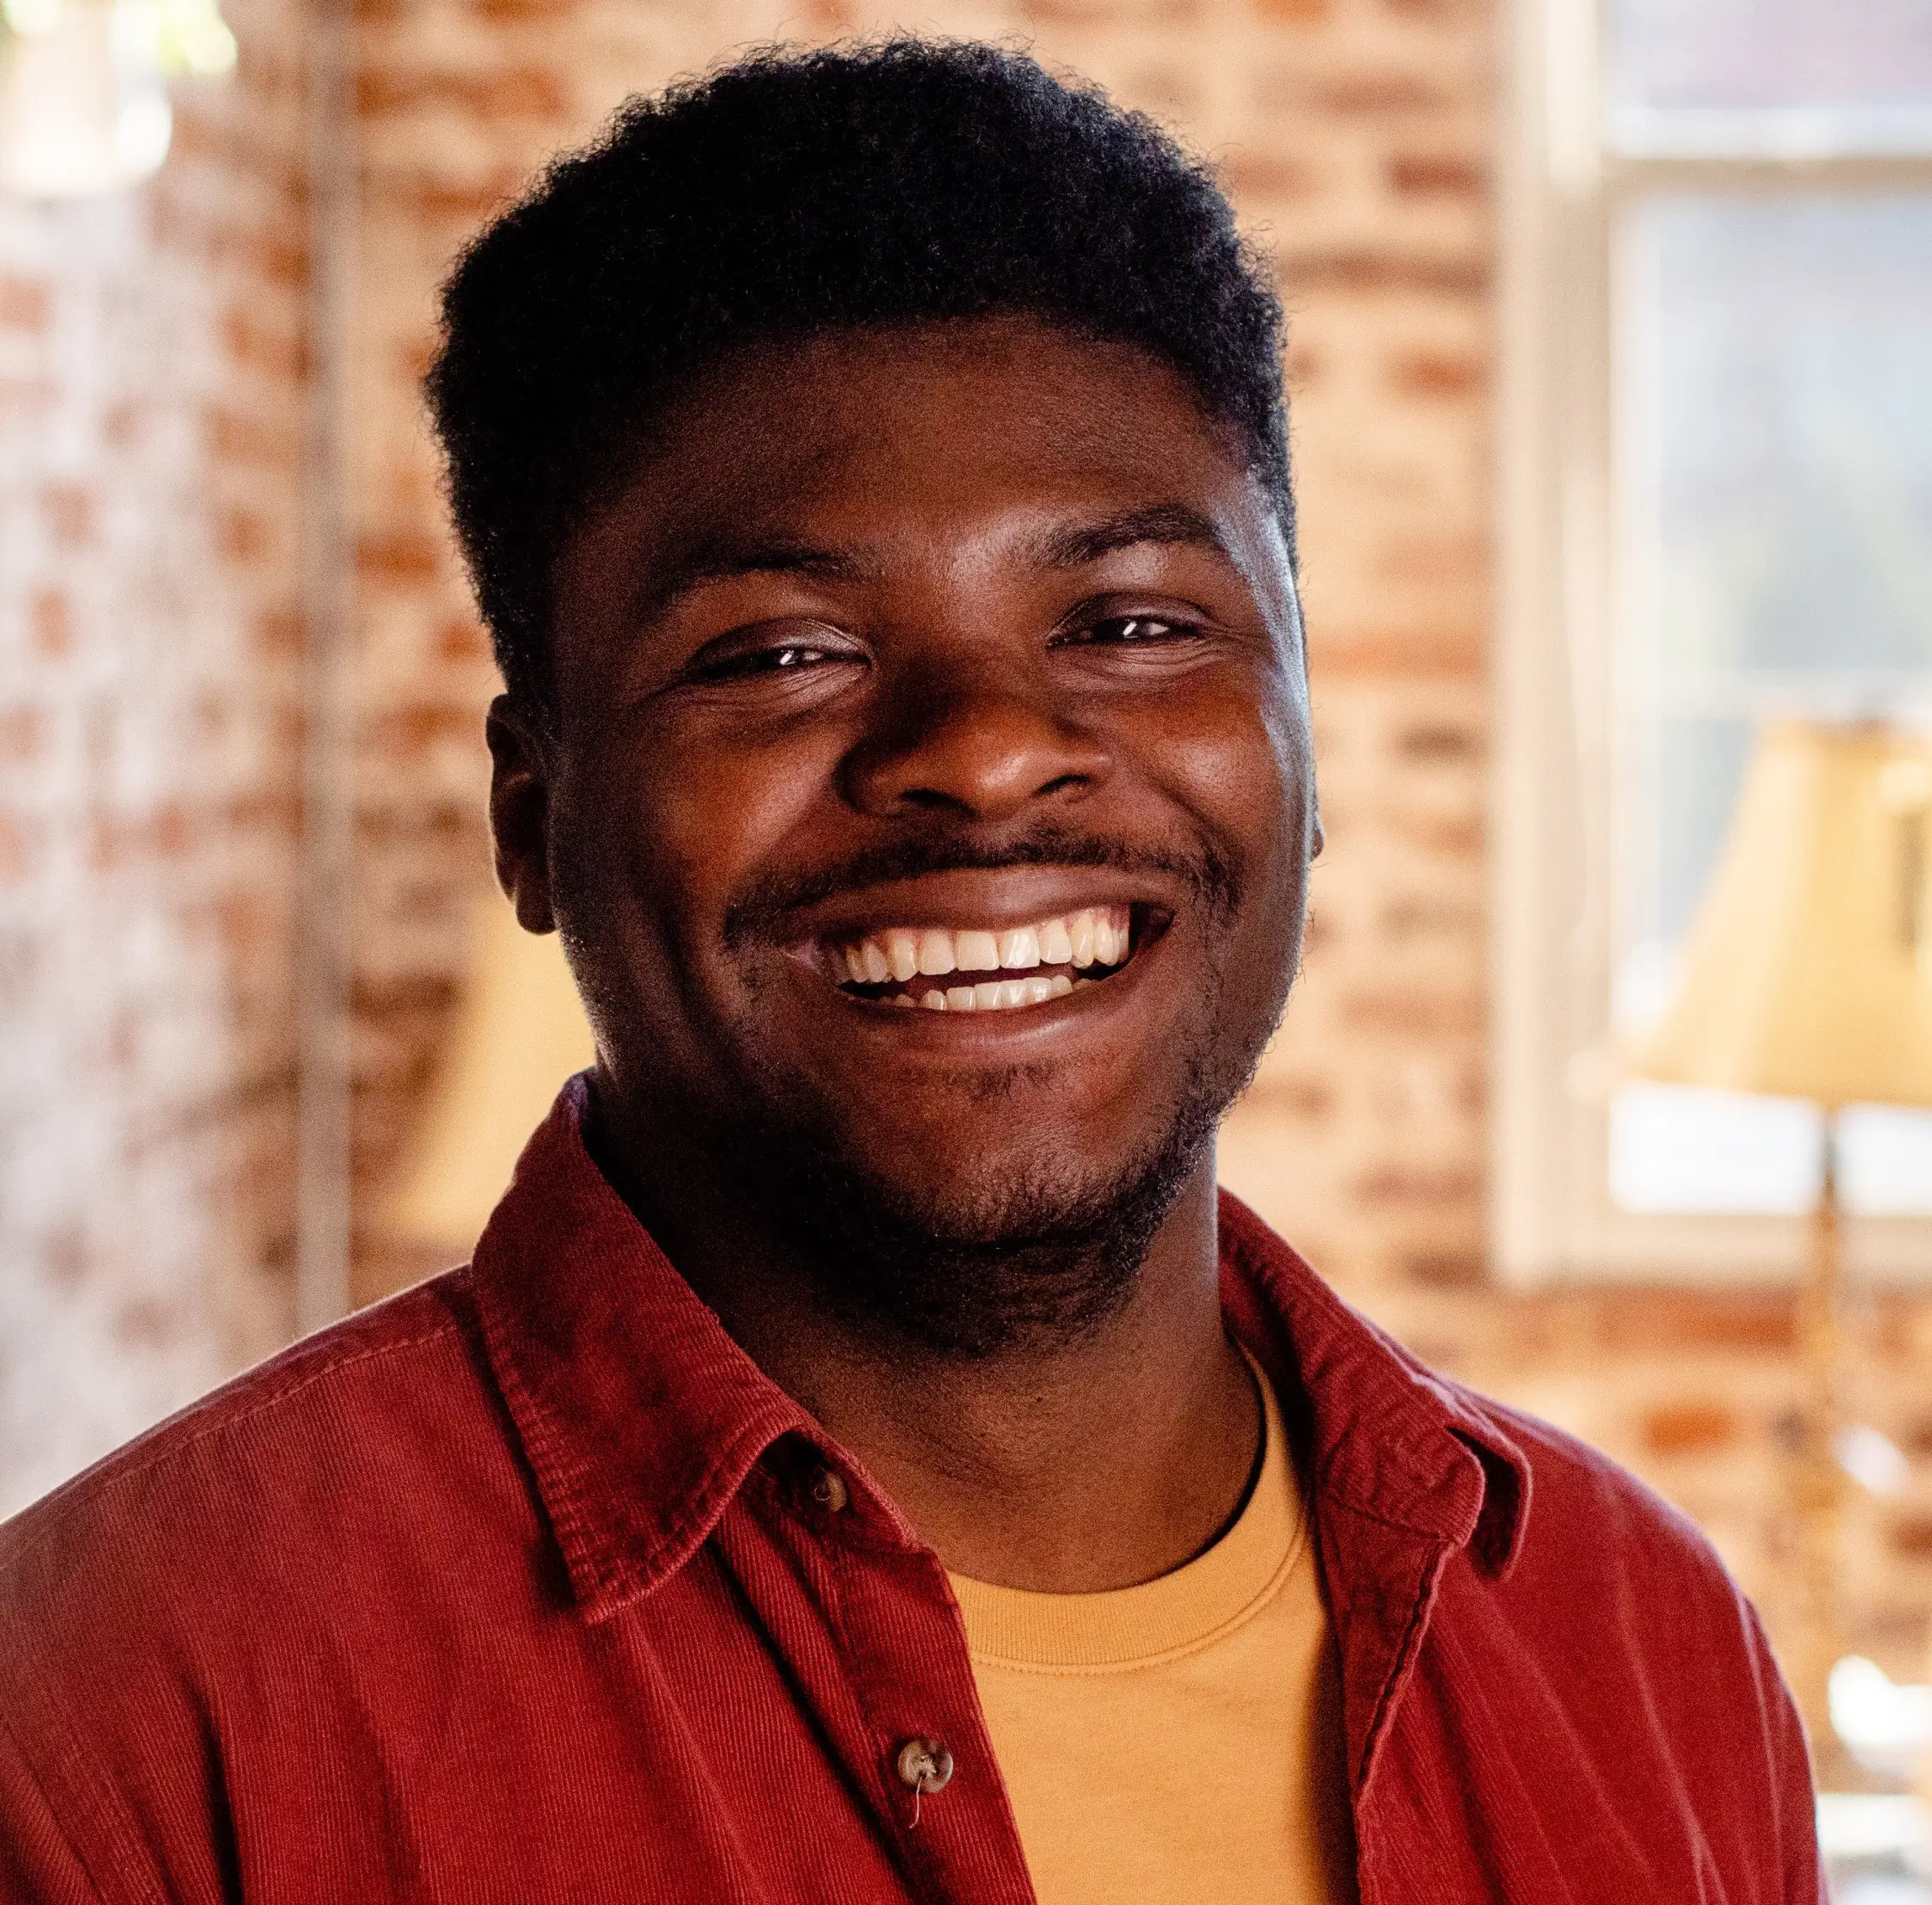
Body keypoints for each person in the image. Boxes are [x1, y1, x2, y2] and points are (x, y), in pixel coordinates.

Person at [0, 40, 1821, 1905]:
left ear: (1300, 737)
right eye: (780, 654)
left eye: (1124, 623)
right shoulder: (118, 1722)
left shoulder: (1641, 1647)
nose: (982, 748)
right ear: (531, 815)